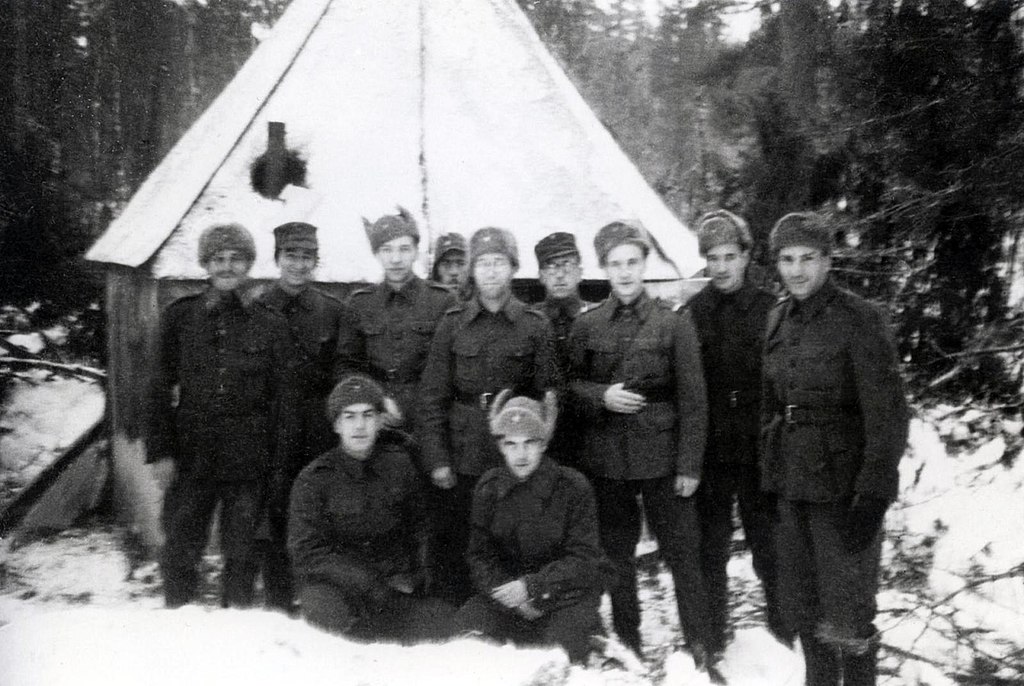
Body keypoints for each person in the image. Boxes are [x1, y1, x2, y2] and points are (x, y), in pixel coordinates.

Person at [760, 212, 909, 686]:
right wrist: (770, 474)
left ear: (827, 261)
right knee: (803, 610)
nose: (797, 270)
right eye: (787, 259)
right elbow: (772, 405)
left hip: (844, 493)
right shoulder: (777, 318)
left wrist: (873, 493)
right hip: (791, 488)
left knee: (847, 616)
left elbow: (888, 415)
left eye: (808, 258)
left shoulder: (859, 319)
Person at [567, 221, 713, 667]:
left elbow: (694, 399)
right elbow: (571, 386)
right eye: (615, 264)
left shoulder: (673, 324)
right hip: (608, 463)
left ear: (644, 264)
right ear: (604, 269)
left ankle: (700, 650)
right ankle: (630, 649)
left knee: (684, 558)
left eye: (632, 262)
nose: (625, 272)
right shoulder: (587, 326)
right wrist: (600, 396)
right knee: (617, 561)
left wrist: (689, 466)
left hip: (664, 461)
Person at [149, 223, 291, 609]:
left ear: (248, 265)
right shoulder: (181, 317)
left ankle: (236, 632)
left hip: (248, 461)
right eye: (218, 259)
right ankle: (177, 620)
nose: (227, 267)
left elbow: (281, 400)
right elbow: (158, 386)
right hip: (192, 455)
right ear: (206, 265)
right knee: (180, 546)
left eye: (236, 259)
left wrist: (276, 463)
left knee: (242, 554)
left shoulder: (270, 323)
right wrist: (159, 452)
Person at [418, 226, 560, 602]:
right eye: (483, 263)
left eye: (499, 262)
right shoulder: (452, 323)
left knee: (511, 540)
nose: (491, 271)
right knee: (460, 541)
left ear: (513, 268)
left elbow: (549, 397)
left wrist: (534, 453)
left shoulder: (534, 326)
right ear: (472, 270)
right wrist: (437, 458)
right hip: (463, 450)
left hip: (515, 454)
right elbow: (432, 396)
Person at [687, 210, 789, 657]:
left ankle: (785, 641)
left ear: (747, 256)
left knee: (771, 553)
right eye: (713, 257)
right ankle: (710, 644)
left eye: (731, 255)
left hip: (757, 453)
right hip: (711, 454)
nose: (722, 266)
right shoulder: (692, 313)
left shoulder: (771, 310)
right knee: (710, 554)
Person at [288, 375, 454, 643]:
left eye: (368, 415)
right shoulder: (314, 479)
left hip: (392, 584)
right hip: (337, 588)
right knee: (328, 624)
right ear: (337, 425)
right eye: (349, 417)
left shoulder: (400, 466)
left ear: (379, 421)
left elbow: (420, 528)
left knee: (443, 627)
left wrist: (420, 575)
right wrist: (366, 583)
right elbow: (308, 553)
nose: (360, 426)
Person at [454, 390, 608, 663]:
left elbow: (584, 559)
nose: (521, 454)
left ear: (544, 444)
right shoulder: (489, 488)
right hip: (508, 600)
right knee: (466, 637)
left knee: (552, 660)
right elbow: (480, 556)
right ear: (501, 446)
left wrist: (534, 587)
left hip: (564, 598)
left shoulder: (573, 487)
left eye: (529, 443)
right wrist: (509, 594)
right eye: (511, 444)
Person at [253, 221, 356, 613]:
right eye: (290, 256)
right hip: (272, 431)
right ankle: (278, 604)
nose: (298, 265)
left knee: (322, 516)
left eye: (307, 257)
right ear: (277, 259)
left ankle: (323, 601)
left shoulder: (333, 312)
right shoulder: (257, 309)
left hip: (318, 431)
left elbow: (345, 370)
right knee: (275, 517)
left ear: (316, 261)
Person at [338, 208, 456, 430]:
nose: (396, 259)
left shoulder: (442, 301)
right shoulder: (360, 303)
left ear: (415, 252)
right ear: (376, 254)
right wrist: (375, 401)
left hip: (429, 416)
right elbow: (346, 365)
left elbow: (450, 366)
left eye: (404, 249)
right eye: (386, 250)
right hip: (375, 417)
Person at [534, 232, 596, 470]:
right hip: (545, 435)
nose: (559, 274)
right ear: (540, 276)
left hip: (591, 432)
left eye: (567, 264)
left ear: (580, 271)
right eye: (550, 266)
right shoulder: (530, 322)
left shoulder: (596, 320)